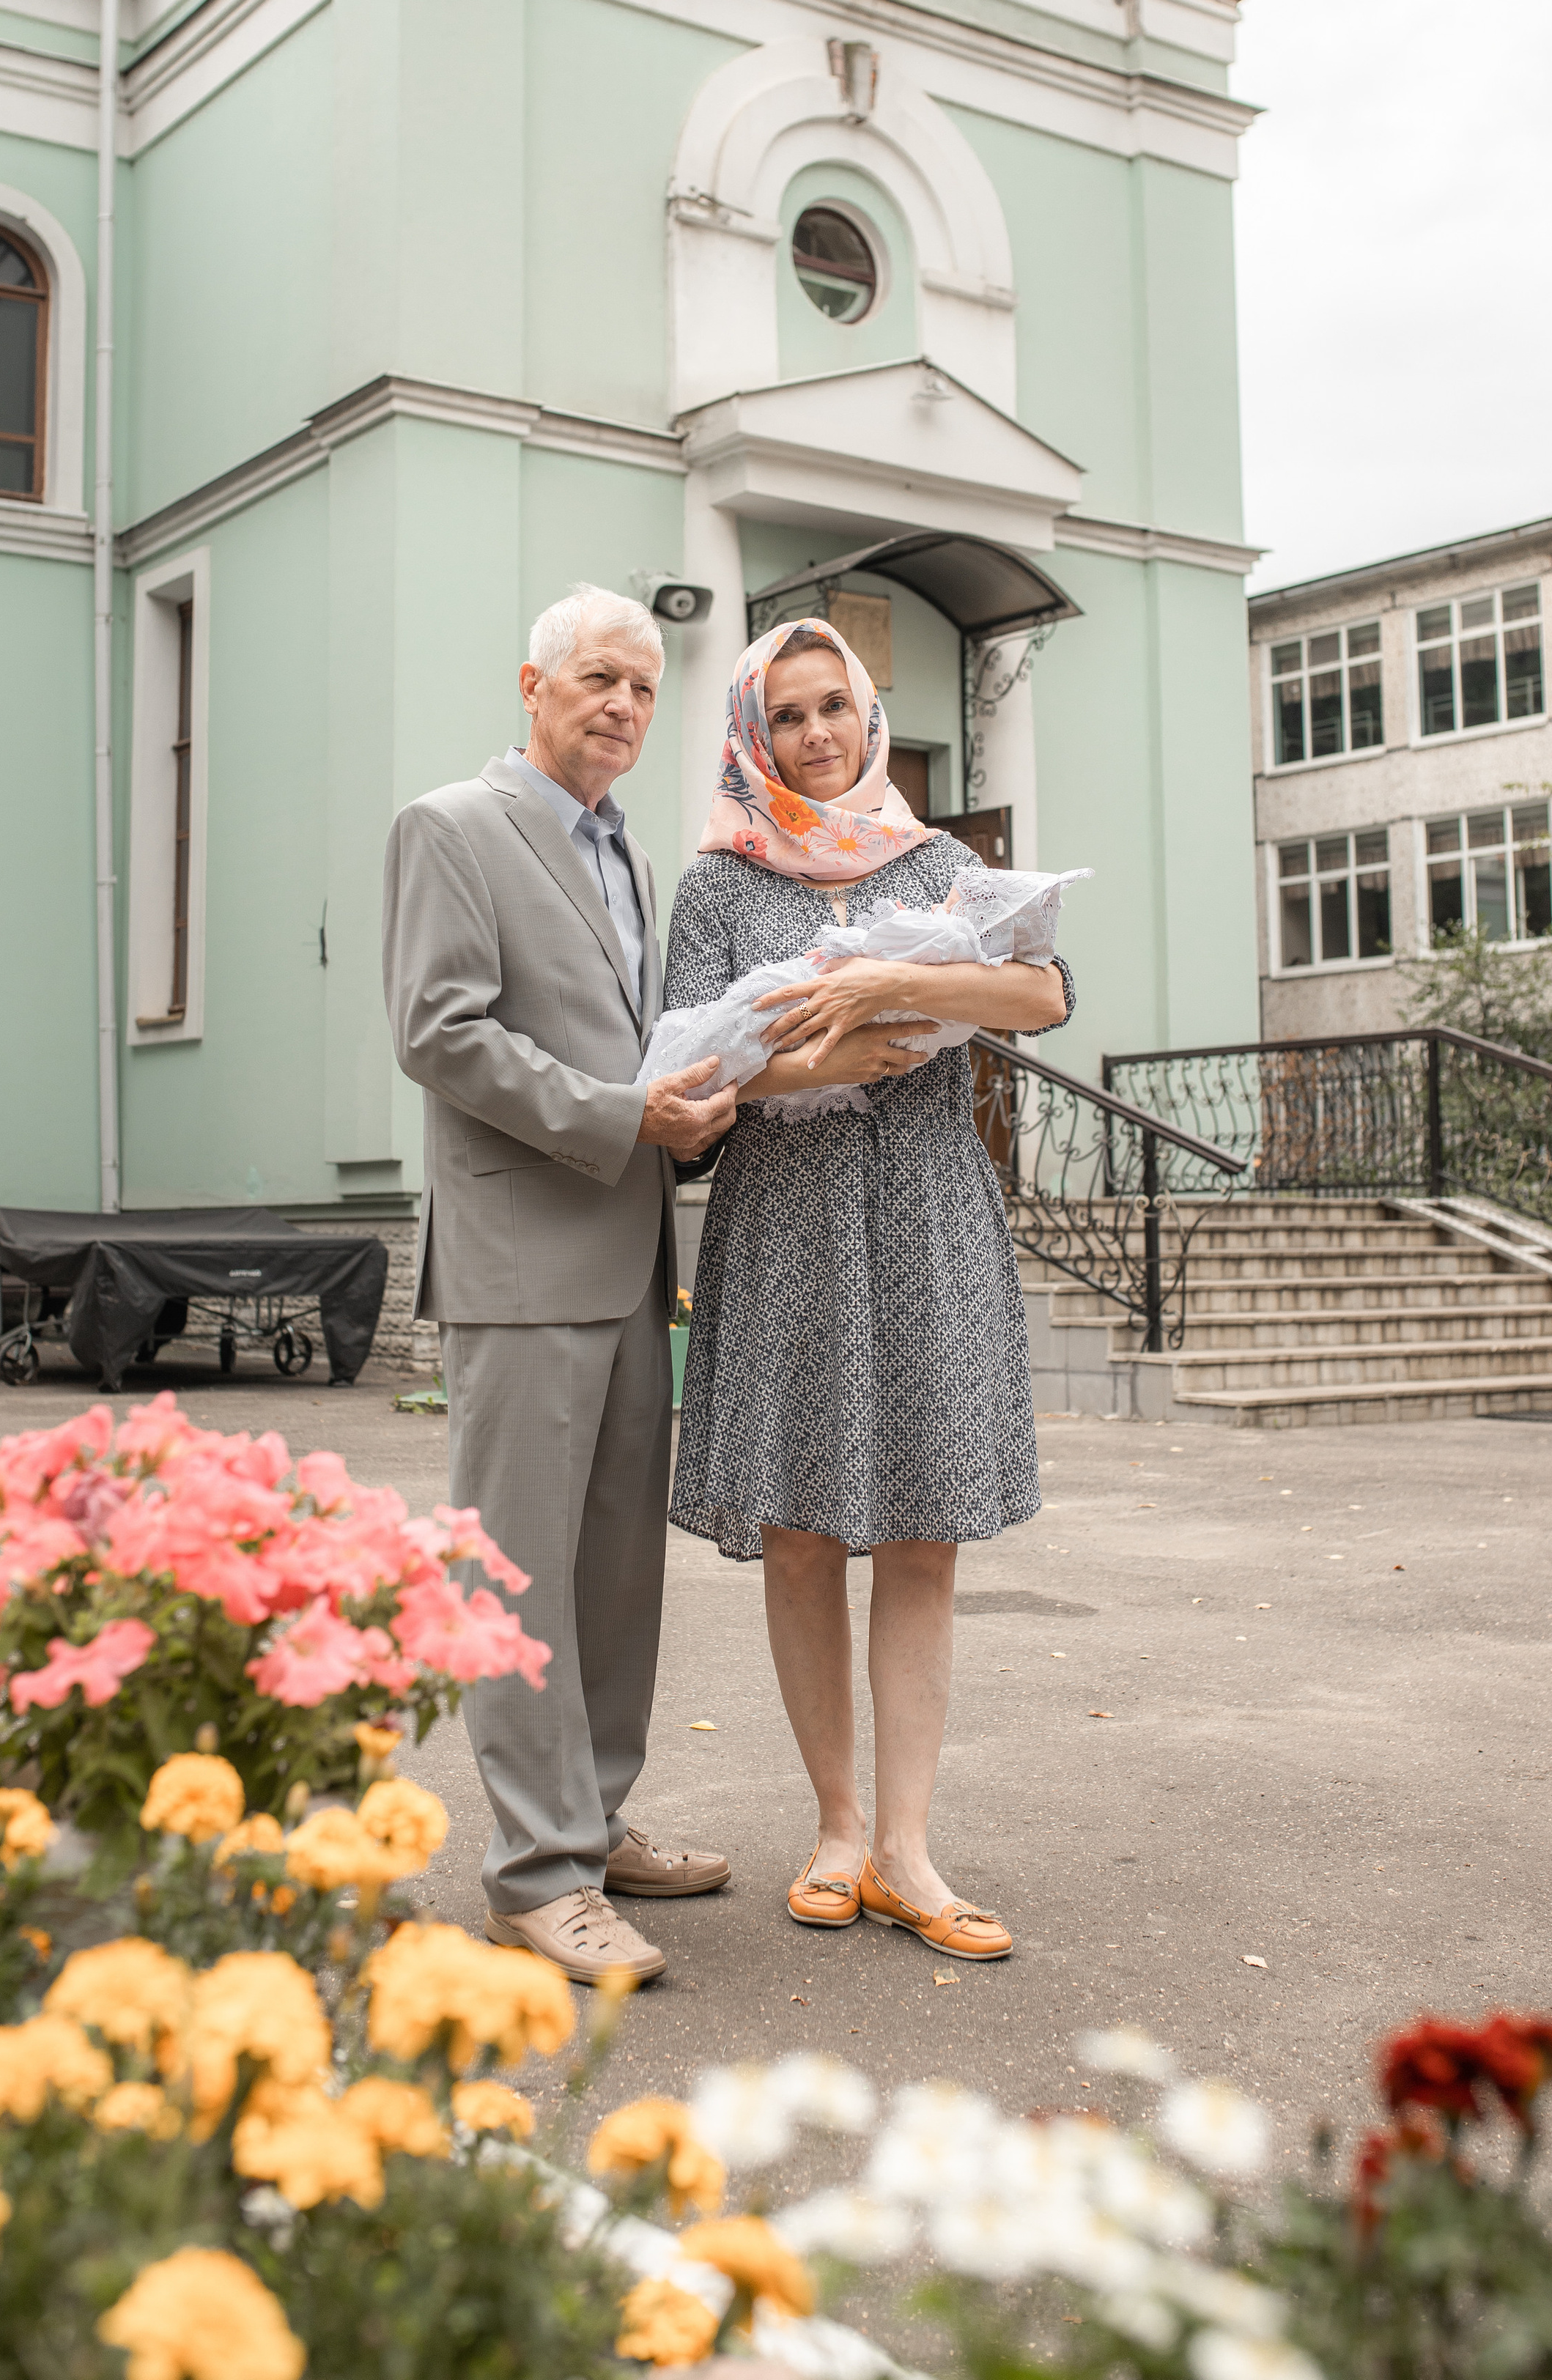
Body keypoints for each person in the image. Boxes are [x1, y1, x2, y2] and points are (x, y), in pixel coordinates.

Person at [664, 618, 1074, 1959]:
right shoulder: (718, 887)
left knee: (921, 1531)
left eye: (835, 705)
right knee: (800, 1532)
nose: (818, 733)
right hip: (785, 1223)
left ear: (868, 715)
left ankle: (907, 1849)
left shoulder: (940, 863)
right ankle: (837, 1827)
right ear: (752, 735)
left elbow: (1047, 992)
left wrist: (899, 976)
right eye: (788, 715)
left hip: (924, 1213)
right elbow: (683, 1066)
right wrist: (820, 1054)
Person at [381, 585, 737, 1986]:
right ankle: (535, 1877)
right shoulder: (453, 827)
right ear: (531, 684)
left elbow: (625, 1038)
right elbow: (439, 1030)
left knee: (612, 1578)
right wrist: (617, 1119)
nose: (625, 709)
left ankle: (590, 1821)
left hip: (631, 1250)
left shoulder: (628, 854)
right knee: (519, 1578)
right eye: (600, 679)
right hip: (525, 1259)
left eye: (645, 691)